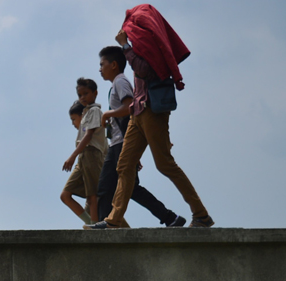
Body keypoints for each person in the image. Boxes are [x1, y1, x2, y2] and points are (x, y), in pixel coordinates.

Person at [84, 4, 214, 229]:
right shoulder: (143, 42)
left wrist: (125, 46)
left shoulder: (147, 45)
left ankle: (201, 214)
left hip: (153, 111)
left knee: (165, 164)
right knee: (124, 166)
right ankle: (114, 220)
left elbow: (145, 70)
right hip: (139, 111)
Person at [95, 45, 184, 228]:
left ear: (113, 65)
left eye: (102, 64)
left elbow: (129, 109)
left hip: (121, 143)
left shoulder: (120, 82)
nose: (100, 69)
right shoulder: (116, 84)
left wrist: (107, 114)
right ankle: (169, 217)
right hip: (119, 144)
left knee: (106, 188)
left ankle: (104, 229)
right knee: (130, 188)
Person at [60, 78, 108, 226]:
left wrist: (72, 156)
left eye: (86, 93)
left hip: (91, 153)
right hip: (83, 156)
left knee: (92, 196)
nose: (82, 97)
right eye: (80, 95)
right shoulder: (87, 112)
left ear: (95, 93)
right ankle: (91, 224)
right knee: (65, 195)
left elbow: (89, 135)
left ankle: (95, 226)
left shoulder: (95, 111)